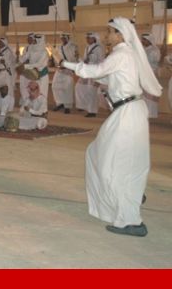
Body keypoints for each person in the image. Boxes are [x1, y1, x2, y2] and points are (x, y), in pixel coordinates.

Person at [62, 17, 162, 237]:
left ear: (121, 34)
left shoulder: (121, 54)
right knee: (106, 157)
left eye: (110, 31)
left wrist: (66, 64)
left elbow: (94, 71)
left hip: (127, 114)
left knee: (112, 162)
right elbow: (116, 78)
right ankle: (132, 198)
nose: (107, 34)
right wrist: (105, 81)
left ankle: (131, 219)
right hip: (128, 112)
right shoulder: (127, 55)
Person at [75, 32, 104, 117]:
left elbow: (101, 61)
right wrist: (78, 58)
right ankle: (82, 106)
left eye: (89, 38)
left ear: (94, 38)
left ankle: (92, 111)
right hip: (87, 71)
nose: (87, 40)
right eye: (86, 38)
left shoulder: (99, 48)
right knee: (79, 87)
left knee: (91, 91)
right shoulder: (87, 48)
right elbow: (85, 60)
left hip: (94, 72)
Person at [52, 34, 78, 114]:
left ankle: (67, 106)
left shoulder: (73, 47)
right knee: (55, 86)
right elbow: (56, 57)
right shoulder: (59, 47)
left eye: (64, 38)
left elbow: (75, 58)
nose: (62, 39)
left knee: (67, 88)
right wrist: (57, 64)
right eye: (61, 38)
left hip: (68, 70)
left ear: (68, 38)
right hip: (60, 69)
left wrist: (67, 65)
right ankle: (60, 103)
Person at [19, 33, 49, 103]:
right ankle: (34, 110)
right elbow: (24, 58)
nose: (33, 41)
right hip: (33, 74)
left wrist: (26, 66)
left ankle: (42, 111)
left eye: (35, 40)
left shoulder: (44, 52)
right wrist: (19, 59)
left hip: (42, 75)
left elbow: (39, 64)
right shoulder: (31, 48)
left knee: (42, 93)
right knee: (33, 92)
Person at [141, 33, 161, 118]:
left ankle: (151, 113)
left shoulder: (154, 50)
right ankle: (145, 112)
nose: (143, 41)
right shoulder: (144, 50)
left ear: (149, 40)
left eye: (144, 39)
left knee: (150, 93)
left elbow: (155, 62)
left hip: (151, 74)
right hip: (145, 74)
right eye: (142, 39)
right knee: (144, 93)